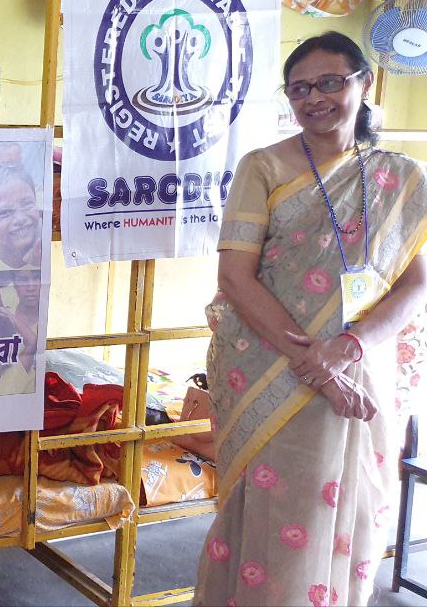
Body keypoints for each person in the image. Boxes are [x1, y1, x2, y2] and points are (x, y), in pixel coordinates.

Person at [195, 32, 427, 607]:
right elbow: (236, 277)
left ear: (363, 83)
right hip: (273, 370)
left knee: (355, 509)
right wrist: (315, 365)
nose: (314, 98)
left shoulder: (402, 179)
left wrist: (346, 350)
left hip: (361, 366)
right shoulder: (264, 167)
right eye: (299, 89)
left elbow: (417, 282)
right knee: (276, 512)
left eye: (329, 83)